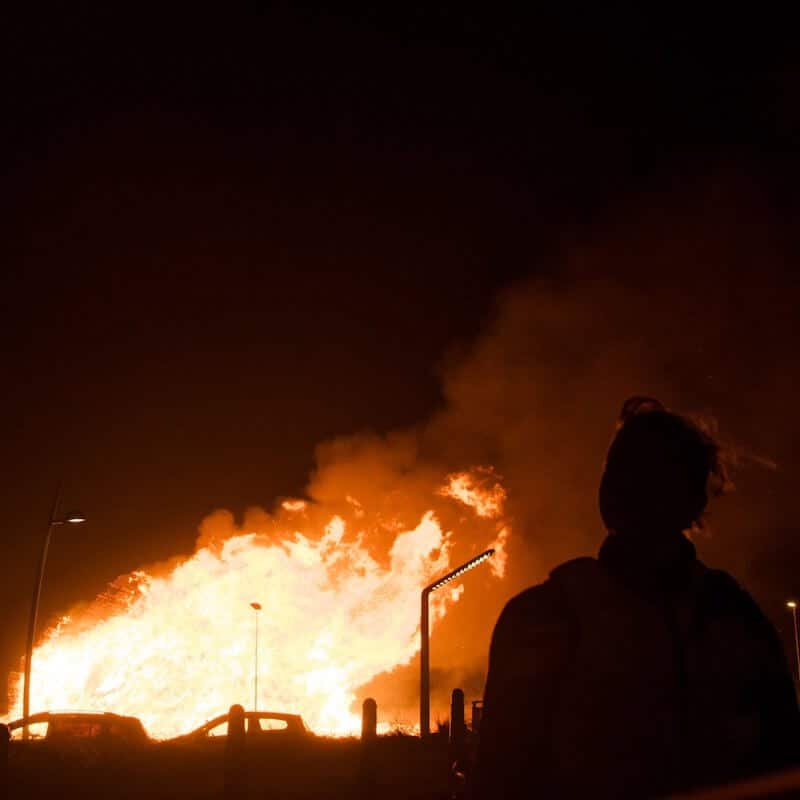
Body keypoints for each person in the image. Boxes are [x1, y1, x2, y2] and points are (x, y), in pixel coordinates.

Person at [470, 397, 800, 799]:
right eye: (622, 474)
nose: (624, 490)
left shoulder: (546, 617)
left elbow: (500, 776)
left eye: (646, 478)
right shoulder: (733, 616)